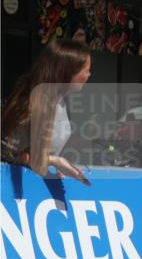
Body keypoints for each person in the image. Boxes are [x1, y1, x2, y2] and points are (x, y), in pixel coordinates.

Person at [1, 39, 92, 182]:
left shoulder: (60, 100)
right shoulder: (31, 105)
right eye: (86, 70)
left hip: (37, 184)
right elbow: (8, 156)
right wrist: (54, 161)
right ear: (67, 71)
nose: (89, 75)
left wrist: (53, 165)